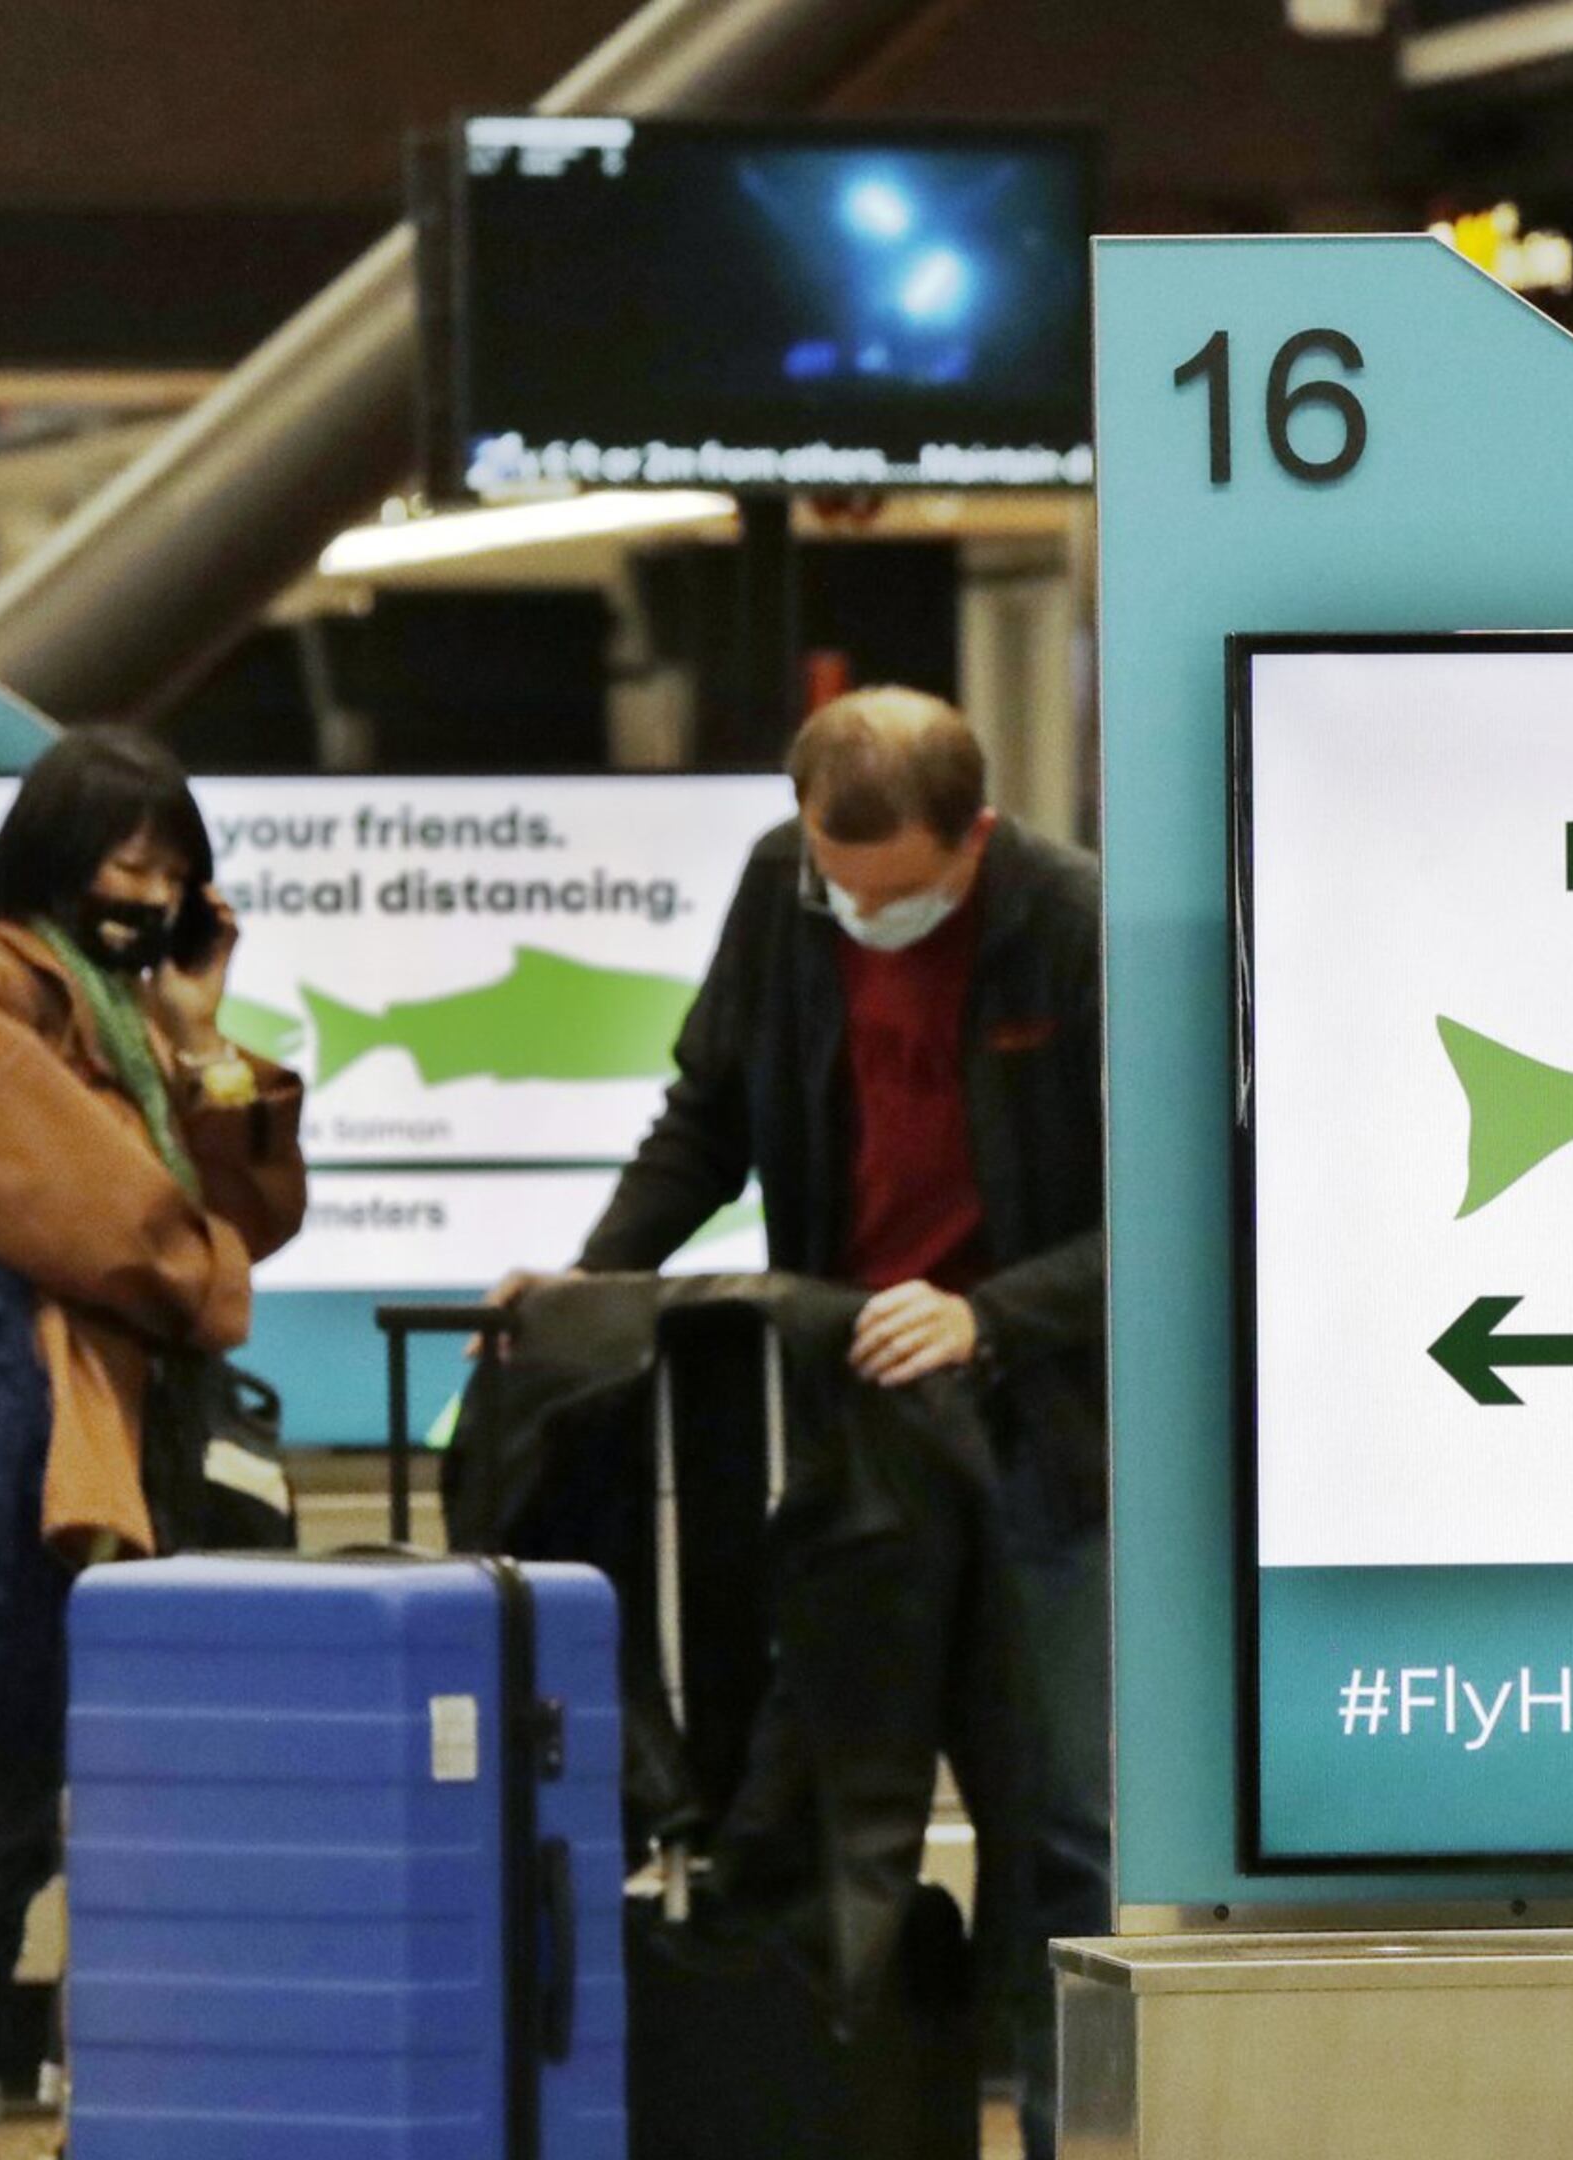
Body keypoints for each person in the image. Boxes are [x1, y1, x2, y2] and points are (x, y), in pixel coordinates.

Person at [512, 685, 1107, 2160]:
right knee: (815, 1803)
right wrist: (600, 1282)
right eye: (836, 887)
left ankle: (1064, 2134)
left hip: (1041, 1434)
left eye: (893, 895)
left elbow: (1173, 1206)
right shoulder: (786, 898)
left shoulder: (1074, 926)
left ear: (972, 839)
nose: (858, 917)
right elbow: (706, 1113)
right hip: (848, 1427)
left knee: (1061, 1825)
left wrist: (993, 1313)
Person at [0, 728, 310, 2158]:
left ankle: (115, 2097)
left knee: (140, 1786)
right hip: (41, 1444)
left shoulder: (135, 1013)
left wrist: (203, 1042)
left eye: (175, 866)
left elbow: (252, 1209)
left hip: (143, 1437)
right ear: (58, 855)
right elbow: (99, 1221)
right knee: (16, 1790)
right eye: (128, 859)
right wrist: (212, 1278)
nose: (151, 887)